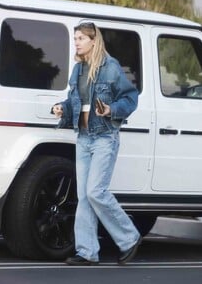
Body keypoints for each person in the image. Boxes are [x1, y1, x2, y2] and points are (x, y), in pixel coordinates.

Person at [52, 22, 141, 265]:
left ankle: (129, 237)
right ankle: (87, 252)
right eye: (75, 38)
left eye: (80, 38)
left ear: (93, 40)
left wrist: (112, 109)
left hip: (104, 137)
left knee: (95, 191)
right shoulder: (78, 69)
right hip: (83, 137)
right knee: (84, 196)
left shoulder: (110, 67)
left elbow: (130, 98)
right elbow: (76, 101)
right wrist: (63, 108)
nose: (77, 42)